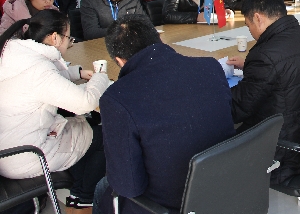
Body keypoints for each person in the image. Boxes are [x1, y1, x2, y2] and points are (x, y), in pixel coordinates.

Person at [94, 15, 235, 214]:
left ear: (119, 61)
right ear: (159, 39)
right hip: (226, 186)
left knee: (102, 189)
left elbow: (128, 187)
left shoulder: (117, 99)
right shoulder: (210, 66)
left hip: (172, 206)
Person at [0, 10, 110, 212]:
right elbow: (85, 102)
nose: (69, 42)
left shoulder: (15, 54)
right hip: (26, 155)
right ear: (55, 38)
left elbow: (45, 80)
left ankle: (77, 191)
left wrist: (76, 72)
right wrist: (101, 76)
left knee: (82, 126)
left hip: (8, 149)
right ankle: (83, 199)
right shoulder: (38, 70)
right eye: (69, 38)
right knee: (104, 135)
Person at [225, 0, 300, 187]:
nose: (250, 32)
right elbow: (285, 70)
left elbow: (235, 110)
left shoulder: (265, 56)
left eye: (248, 25)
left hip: (283, 154)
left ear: (258, 18)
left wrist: (210, 87)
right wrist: (251, 67)